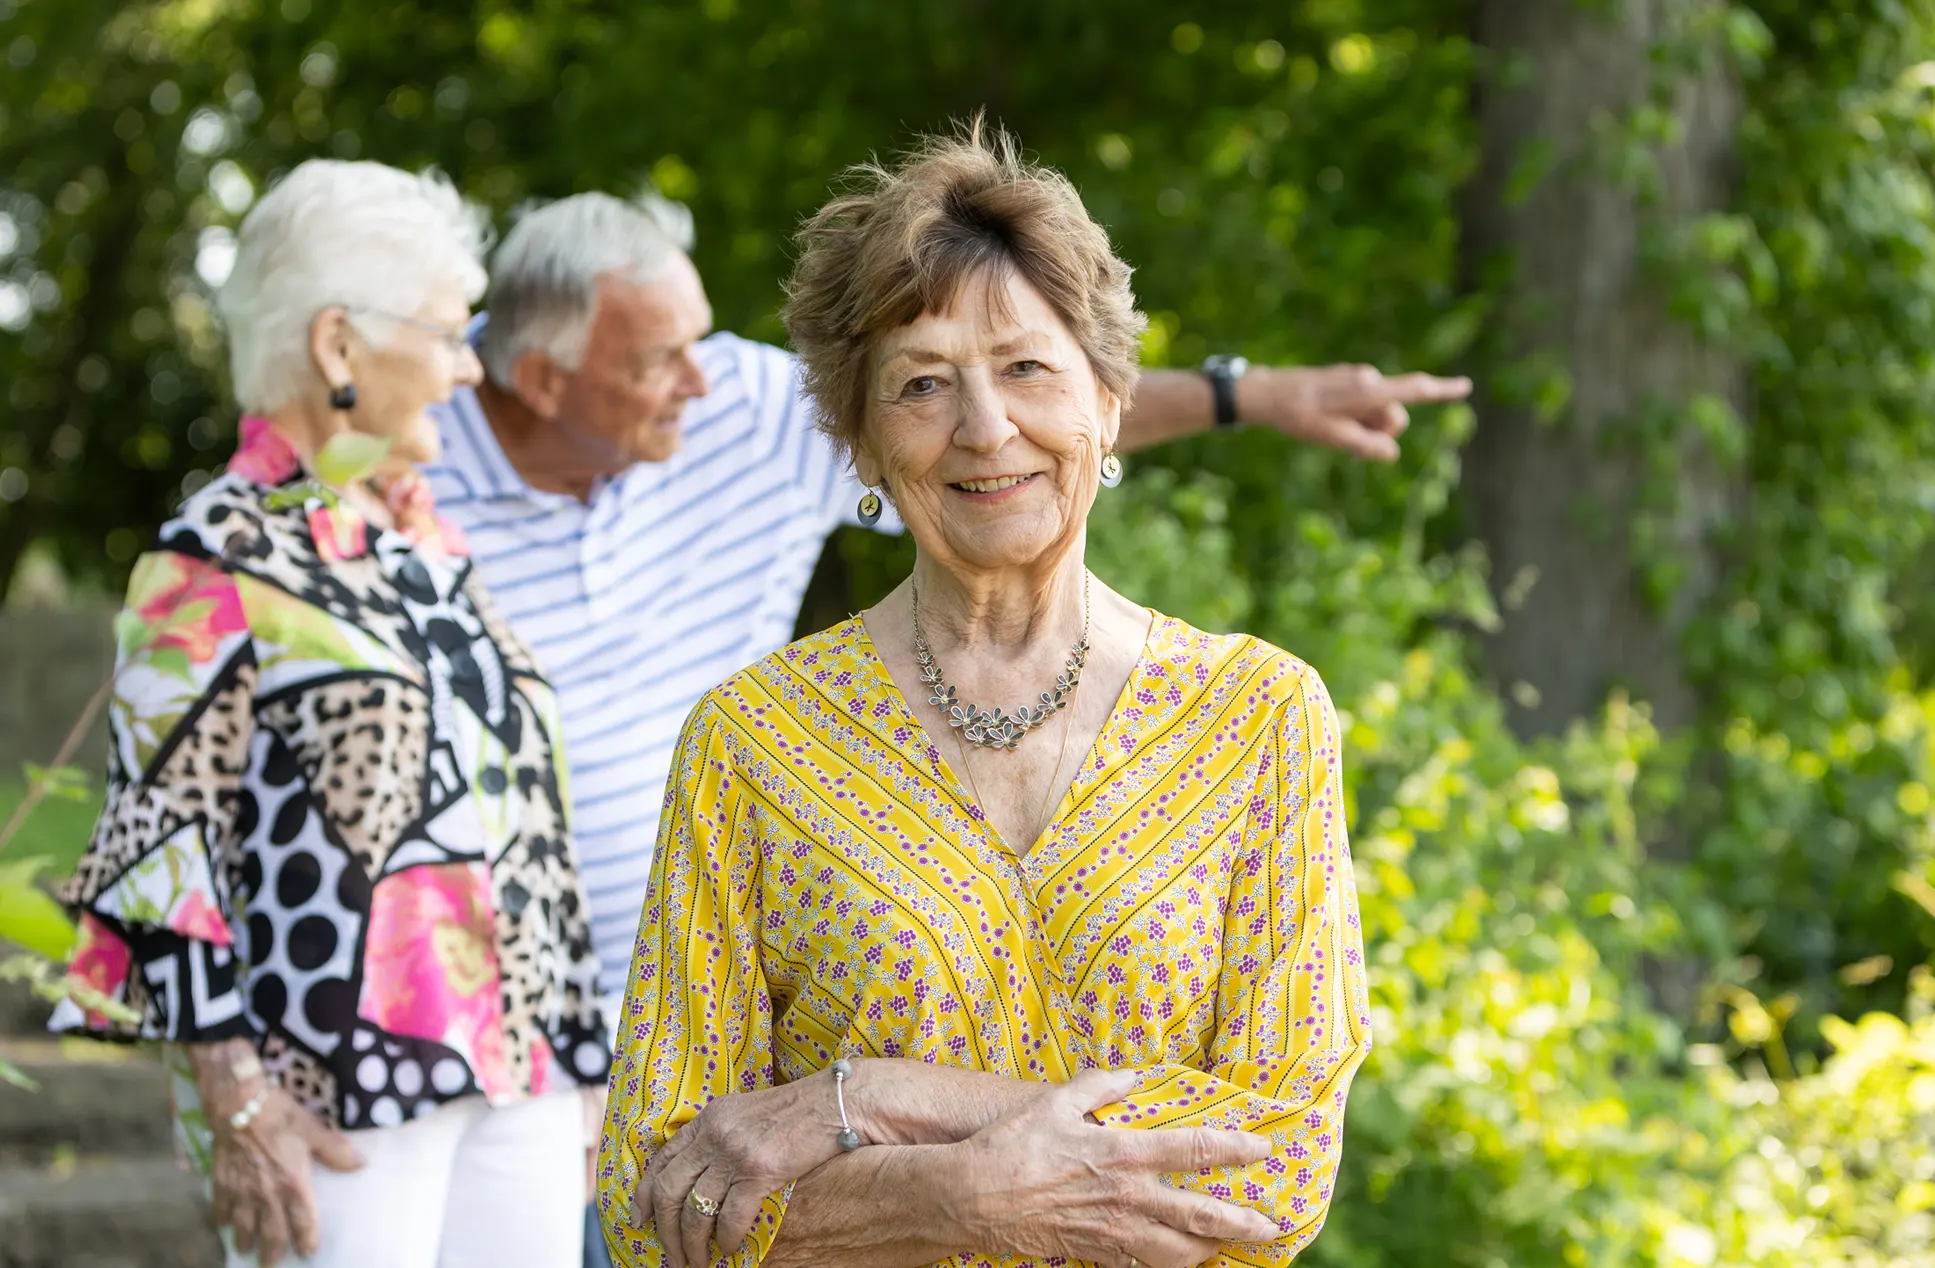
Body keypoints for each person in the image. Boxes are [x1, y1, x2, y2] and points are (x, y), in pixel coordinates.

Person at [596, 122, 1370, 1268]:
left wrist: (866, 1101)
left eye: (1026, 367)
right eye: (920, 383)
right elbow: (649, 1188)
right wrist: (956, 1201)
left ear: (1107, 402)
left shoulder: (1257, 716)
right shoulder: (751, 739)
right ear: (859, 442)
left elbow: (1282, 1158)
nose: (985, 426)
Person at [52, 159, 609, 1268]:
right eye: (454, 333)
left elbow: (521, 816)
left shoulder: (431, 549)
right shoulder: (210, 555)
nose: (466, 368)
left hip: (520, 1070)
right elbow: (163, 851)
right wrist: (236, 1094)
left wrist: (578, 1055)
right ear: (339, 345)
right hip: (334, 1082)